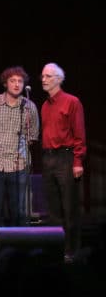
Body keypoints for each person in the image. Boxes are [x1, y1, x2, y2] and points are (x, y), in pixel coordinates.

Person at [0, 66, 39, 264]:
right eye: (13, 81)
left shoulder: (29, 106)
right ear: (5, 83)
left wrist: (17, 149)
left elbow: (33, 135)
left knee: (19, 213)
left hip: (18, 165)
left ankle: (19, 256)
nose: (17, 84)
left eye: (20, 81)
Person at [40, 62, 86, 262]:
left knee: (69, 208)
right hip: (48, 158)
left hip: (66, 158)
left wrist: (78, 161)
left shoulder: (72, 102)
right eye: (42, 76)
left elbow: (79, 134)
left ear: (58, 79)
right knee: (53, 209)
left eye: (48, 76)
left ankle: (71, 251)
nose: (43, 79)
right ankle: (57, 250)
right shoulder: (44, 105)